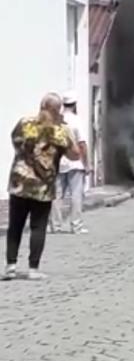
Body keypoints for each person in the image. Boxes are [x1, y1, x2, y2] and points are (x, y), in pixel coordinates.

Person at [4, 93, 80, 281]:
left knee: (15, 225)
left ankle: (10, 266)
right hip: (43, 187)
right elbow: (75, 155)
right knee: (38, 227)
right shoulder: (60, 131)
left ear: (41, 106)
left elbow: (15, 141)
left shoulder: (25, 123)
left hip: (20, 182)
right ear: (58, 110)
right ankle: (33, 269)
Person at [50, 93, 89, 234]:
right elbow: (82, 144)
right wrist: (87, 164)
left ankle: (56, 226)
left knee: (56, 196)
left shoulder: (56, 120)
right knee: (76, 195)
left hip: (58, 162)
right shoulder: (77, 121)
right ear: (75, 104)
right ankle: (76, 226)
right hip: (75, 162)